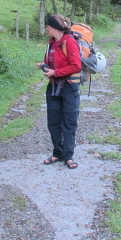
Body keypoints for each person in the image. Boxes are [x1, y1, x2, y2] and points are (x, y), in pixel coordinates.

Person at [37, 14, 82, 170]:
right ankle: (57, 153)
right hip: (53, 87)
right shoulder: (51, 43)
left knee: (69, 122)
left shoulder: (69, 42)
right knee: (53, 122)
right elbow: (49, 61)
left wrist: (55, 73)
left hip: (69, 87)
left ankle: (68, 156)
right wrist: (42, 64)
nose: (46, 29)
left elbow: (76, 66)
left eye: (47, 26)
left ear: (53, 27)